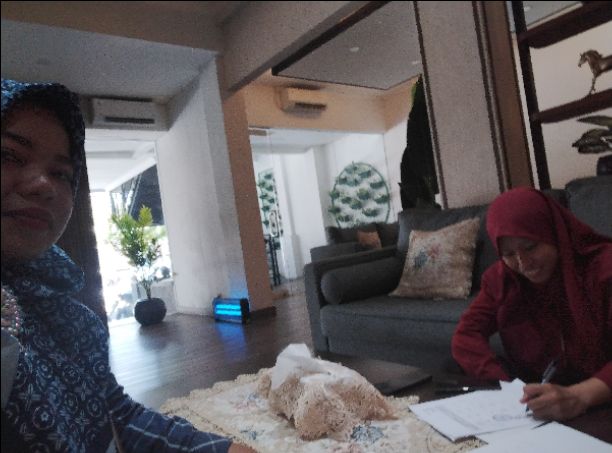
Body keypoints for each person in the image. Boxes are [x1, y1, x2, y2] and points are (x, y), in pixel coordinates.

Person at [1, 79, 254, 452]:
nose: (44, 185)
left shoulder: (72, 321)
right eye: (9, 155)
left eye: (61, 173)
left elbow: (115, 415)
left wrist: (221, 449)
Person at [452, 187, 611, 421]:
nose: (524, 263)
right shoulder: (501, 279)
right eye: (509, 254)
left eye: (530, 247)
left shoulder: (604, 269)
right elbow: (466, 335)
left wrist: (579, 396)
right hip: (543, 406)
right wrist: (509, 388)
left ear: (553, 232)